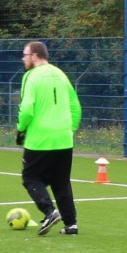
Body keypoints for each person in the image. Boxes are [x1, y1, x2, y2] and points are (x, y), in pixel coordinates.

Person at [16, 41, 81, 235]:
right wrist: (70, 129)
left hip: (40, 138)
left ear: (35, 56)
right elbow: (75, 106)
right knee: (61, 181)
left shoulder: (31, 76)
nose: (23, 59)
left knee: (30, 177)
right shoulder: (61, 74)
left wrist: (21, 128)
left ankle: (49, 211)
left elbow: (27, 108)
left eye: (25, 55)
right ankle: (71, 224)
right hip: (64, 138)